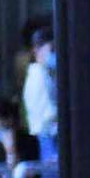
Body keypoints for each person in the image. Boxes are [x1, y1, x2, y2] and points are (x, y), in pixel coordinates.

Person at [20, 18, 59, 162]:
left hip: (45, 130)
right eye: (52, 49)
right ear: (36, 50)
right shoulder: (38, 74)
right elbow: (48, 105)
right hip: (48, 131)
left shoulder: (40, 72)